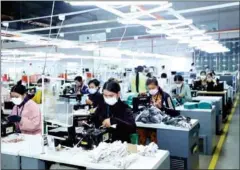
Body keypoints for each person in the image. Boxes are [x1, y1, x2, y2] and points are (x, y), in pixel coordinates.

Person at [138, 78, 175, 145]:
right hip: (148, 123)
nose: (151, 90)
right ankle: (142, 151)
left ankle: (154, 151)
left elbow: (173, 111)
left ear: (157, 86)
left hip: (160, 124)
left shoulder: (165, 96)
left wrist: (162, 107)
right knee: (140, 131)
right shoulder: (147, 97)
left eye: (153, 88)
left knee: (153, 134)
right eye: (149, 89)